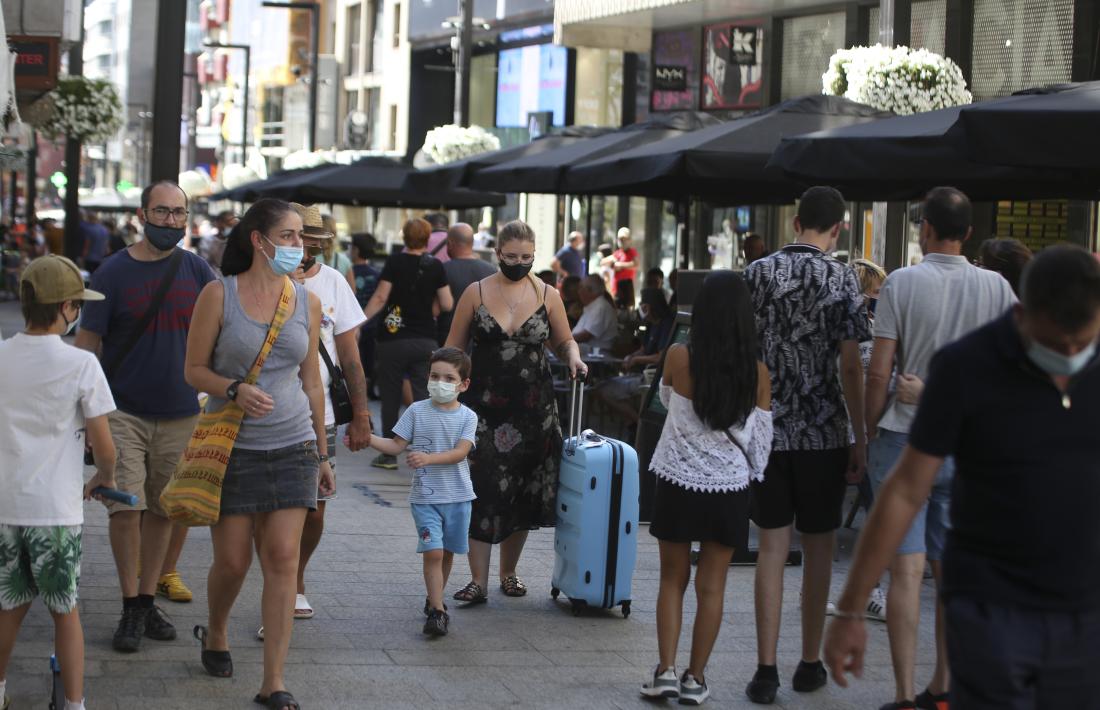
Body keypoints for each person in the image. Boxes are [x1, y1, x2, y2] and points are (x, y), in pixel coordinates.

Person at [826, 244, 1100, 709]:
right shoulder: (969, 365)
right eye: (1057, 345)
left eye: (1083, 343)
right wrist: (851, 607)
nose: (1070, 356)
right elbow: (905, 489)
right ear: (1023, 315)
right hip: (993, 607)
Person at [863, 187, 1017, 710]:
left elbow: (879, 369)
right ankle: (944, 687)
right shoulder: (998, 288)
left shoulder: (901, 284)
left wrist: (869, 426)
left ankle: (905, 694)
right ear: (968, 233)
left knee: (905, 571)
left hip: (905, 439)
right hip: (967, 447)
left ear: (923, 228)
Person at [184, 197, 332, 710]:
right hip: (232, 447)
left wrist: (322, 450)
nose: (298, 247)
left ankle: (274, 680)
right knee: (232, 560)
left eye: (301, 239)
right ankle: (217, 630)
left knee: (284, 558)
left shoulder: (306, 301)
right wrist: (232, 390)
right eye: (289, 237)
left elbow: (311, 380)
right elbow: (194, 371)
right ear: (258, 240)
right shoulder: (217, 295)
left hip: (292, 443)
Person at [75, 181, 217, 651]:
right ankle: (131, 605)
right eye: (162, 212)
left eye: (179, 213)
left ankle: (146, 595)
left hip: (181, 413)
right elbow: (88, 347)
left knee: (162, 508)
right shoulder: (112, 273)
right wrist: (83, 414)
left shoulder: (198, 270)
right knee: (125, 508)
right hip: (121, 413)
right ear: (143, 214)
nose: (171, 222)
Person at [743, 186, 870, 705]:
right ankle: (809, 662)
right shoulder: (843, 278)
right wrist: (859, 433)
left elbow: (744, 352)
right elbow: (850, 363)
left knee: (772, 546)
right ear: (838, 228)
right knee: (819, 548)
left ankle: (765, 669)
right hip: (824, 431)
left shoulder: (757, 274)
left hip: (768, 428)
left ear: (795, 222)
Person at [641, 271, 773, 706]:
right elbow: (760, 443)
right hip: (729, 489)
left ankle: (665, 671)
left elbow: (662, 400)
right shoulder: (757, 372)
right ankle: (696, 680)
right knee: (712, 587)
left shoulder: (679, 356)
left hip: (678, 482)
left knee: (671, 580)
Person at [444, 220, 586, 604]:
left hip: (532, 409)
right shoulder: (475, 293)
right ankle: (478, 580)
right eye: (511, 257)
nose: (519, 263)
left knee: (521, 488)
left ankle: (508, 573)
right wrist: (443, 393)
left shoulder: (547, 293)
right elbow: (454, 349)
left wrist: (574, 357)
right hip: (483, 409)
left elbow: (564, 340)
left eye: (527, 257)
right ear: (497, 254)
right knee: (482, 486)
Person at [0, 255, 117, 710]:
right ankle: (73, 702)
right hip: (55, 510)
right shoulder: (81, 365)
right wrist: (102, 478)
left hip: (7, 503)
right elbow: (104, 447)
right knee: (64, 610)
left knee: (9, 605)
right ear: (68, 307)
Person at [284, 203, 371, 623]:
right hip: (268, 412)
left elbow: (350, 357)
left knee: (316, 507)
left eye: (313, 243)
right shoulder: (262, 280)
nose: (305, 250)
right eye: (297, 240)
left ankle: (296, 575)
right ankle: (283, 584)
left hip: (321, 418)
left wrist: (361, 413)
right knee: (276, 511)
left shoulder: (334, 282)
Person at [364, 347, 478, 637]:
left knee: (448, 552)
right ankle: (438, 612)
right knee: (434, 552)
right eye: (435, 376)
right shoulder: (416, 411)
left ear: (464, 385)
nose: (440, 382)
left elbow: (460, 453)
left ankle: (433, 597)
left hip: (459, 497)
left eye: (449, 378)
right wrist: (367, 438)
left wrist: (427, 458)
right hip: (426, 498)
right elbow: (395, 445)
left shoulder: (468, 417)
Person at [363, 218, 454, 470]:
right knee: (425, 396)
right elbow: (447, 304)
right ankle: (427, 452)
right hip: (425, 338)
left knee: (390, 395)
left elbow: (381, 296)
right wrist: (430, 310)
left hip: (392, 339)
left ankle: (389, 454)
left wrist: (359, 321)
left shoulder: (394, 262)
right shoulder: (436, 265)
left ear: (404, 238)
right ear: (427, 238)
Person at [592, 288, 675, 427]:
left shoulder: (666, 324)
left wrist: (636, 360)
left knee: (604, 391)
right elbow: (644, 349)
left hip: (652, 378)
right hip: (641, 373)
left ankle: (639, 424)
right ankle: (635, 422)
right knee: (600, 387)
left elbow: (660, 357)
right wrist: (631, 356)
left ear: (648, 306)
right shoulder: (651, 323)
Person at [440, 223, 495, 343]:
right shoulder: (492, 271)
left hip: (447, 338)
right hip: (483, 340)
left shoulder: (442, 270)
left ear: (449, 244)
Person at [350, 233, 381, 391]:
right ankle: (367, 390)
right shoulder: (376, 274)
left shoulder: (347, 272)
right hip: (371, 324)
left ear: (356, 250)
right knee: (368, 361)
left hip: (350, 324)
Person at [572, 274, 619, 353]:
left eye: (580, 288)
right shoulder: (595, 305)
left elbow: (587, 335)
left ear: (590, 290)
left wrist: (565, 339)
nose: (578, 292)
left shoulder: (600, 307)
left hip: (596, 357)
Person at [606, 227, 639, 309]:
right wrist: (613, 263)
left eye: (624, 239)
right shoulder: (617, 253)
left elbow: (636, 264)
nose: (622, 241)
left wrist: (620, 265)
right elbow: (605, 262)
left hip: (627, 289)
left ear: (629, 240)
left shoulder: (632, 252)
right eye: (620, 239)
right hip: (616, 288)